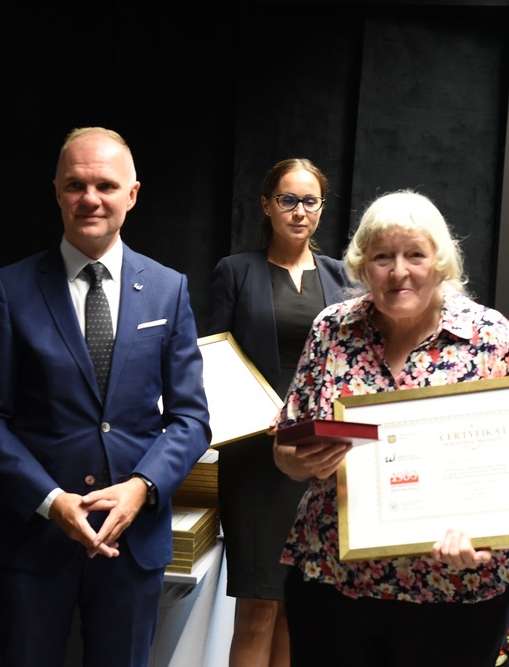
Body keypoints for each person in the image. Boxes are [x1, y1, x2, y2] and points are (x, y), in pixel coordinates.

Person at [0, 126, 211, 667]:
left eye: (105, 184)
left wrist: (141, 489)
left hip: (132, 541)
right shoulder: (9, 289)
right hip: (35, 540)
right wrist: (51, 501)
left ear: (133, 194)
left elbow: (191, 419)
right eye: (75, 185)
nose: (90, 199)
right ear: (56, 190)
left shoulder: (169, 289)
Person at [272, 189, 509, 666]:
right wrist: (297, 459)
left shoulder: (493, 340)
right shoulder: (332, 330)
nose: (398, 272)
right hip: (335, 581)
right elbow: (286, 444)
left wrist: (484, 533)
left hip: (454, 590)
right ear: (361, 265)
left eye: (415, 254)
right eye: (382, 257)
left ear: (441, 261)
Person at [206, 158, 351, 667]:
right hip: (255, 457)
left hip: (319, 456)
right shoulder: (236, 271)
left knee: (299, 605)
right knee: (259, 606)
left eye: (309, 201)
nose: (298, 211)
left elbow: (353, 363)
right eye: (287, 200)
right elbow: (214, 359)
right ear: (267, 206)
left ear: (321, 208)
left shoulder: (342, 276)